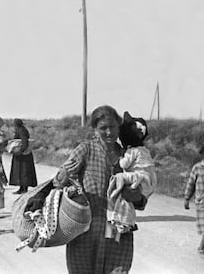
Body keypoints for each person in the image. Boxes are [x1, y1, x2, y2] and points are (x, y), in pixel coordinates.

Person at [54, 105, 146, 274]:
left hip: (118, 230)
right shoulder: (85, 149)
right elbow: (58, 185)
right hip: (86, 231)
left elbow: (142, 195)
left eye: (112, 127)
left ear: (119, 127)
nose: (109, 132)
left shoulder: (127, 155)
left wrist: (136, 197)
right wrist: (64, 174)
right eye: (103, 128)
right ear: (95, 129)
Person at [106, 112, 156, 241]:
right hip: (148, 179)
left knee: (120, 185)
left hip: (138, 178)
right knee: (126, 195)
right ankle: (124, 222)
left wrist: (120, 156)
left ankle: (121, 222)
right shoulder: (143, 150)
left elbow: (123, 164)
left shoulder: (129, 151)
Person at [184, 145, 204, 256]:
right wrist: (187, 198)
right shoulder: (198, 168)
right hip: (202, 202)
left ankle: (201, 246)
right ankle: (201, 248)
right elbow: (191, 184)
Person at [9, 118, 37, 194]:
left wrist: (20, 151)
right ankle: (21, 188)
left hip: (23, 155)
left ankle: (24, 189)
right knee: (21, 172)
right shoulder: (21, 129)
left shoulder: (21, 130)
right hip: (23, 154)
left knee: (24, 172)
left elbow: (25, 142)